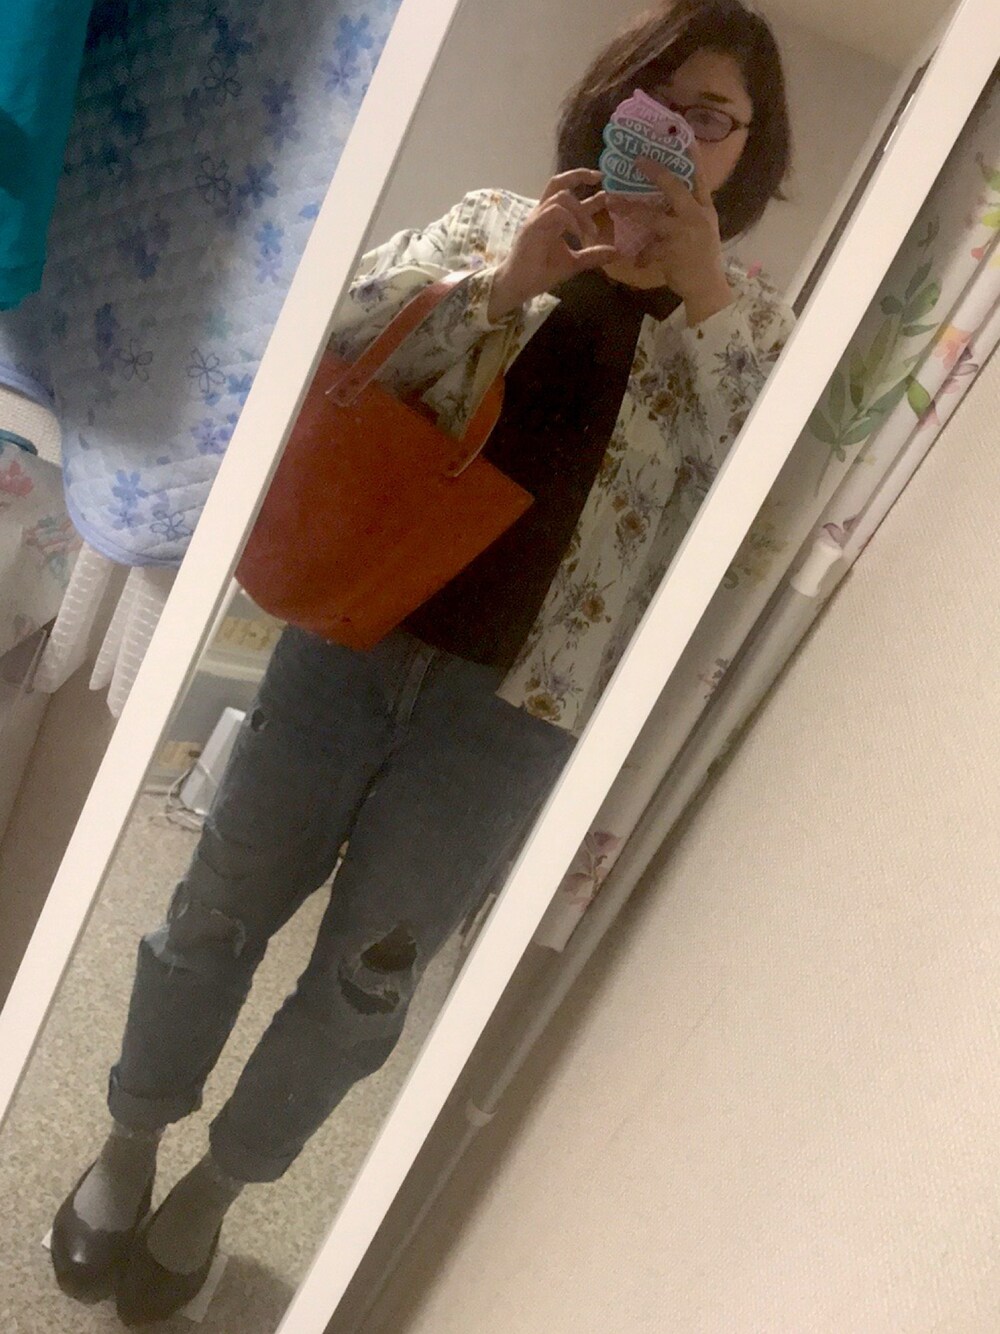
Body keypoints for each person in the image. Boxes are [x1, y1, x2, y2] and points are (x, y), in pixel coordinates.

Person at [51, 0, 795, 1322]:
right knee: (215, 905)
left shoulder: (750, 327)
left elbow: (750, 523)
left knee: (364, 985)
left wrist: (700, 296)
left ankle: (218, 1189)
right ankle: (127, 1139)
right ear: (611, 105)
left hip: (513, 718)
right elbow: (339, 347)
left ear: (750, 149)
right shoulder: (495, 220)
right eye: (657, 99)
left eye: (713, 117)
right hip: (351, 640)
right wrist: (507, 284)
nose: (680, 135)